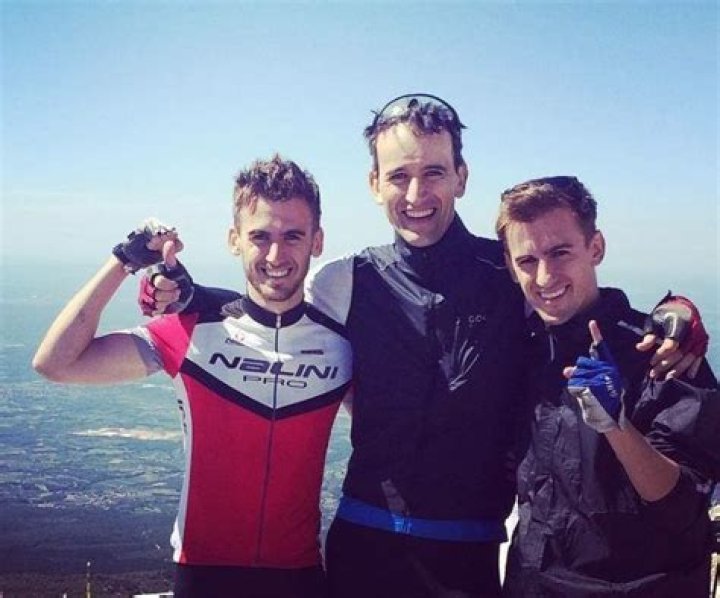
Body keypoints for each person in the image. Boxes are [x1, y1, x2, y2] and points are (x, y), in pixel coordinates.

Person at [139, 95, 706, 598]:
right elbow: (270, 309)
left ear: (461, 176)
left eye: (433, 171)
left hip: (469, 555)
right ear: (374, 184)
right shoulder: (346, 280)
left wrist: (675, 315)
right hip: (363, 545)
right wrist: (190, 296)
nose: (416, 194)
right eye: (398, 175)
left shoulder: (510, 272)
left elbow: (583, 307)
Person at [32, 155, 353, 598]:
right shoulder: (191, 331)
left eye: (292, 236)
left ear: (317, 241)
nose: (276, 255)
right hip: (203, 575)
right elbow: (56, 362)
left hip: (300, 576)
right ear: (234, 240)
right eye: (260, 236)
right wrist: (124, 261)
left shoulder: (341, 346)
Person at [495, 176, 719, 597]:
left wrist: (616, 427)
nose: (544, 276)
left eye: (560, 253)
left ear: (595, 247)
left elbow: (686, 506)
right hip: (532, 584)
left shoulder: (661, 354)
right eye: (527, 261)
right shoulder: (521, 351)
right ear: (510, 266)